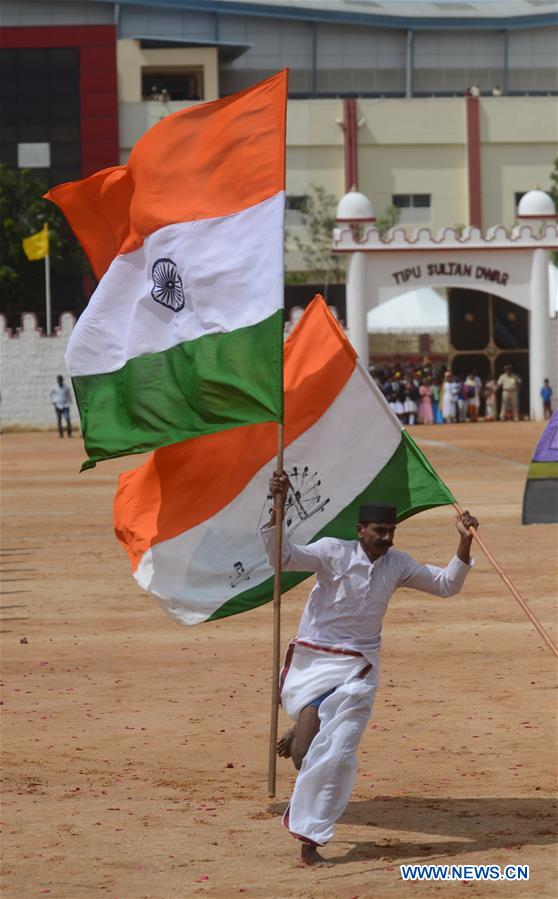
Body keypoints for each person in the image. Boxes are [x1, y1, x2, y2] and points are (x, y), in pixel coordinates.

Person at [262, 473, 478, 866]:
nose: (387, 538)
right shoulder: (331, 551)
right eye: (379, 531)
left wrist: (463, 540)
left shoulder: (397, 564)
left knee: (339, 752)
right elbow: (281, 558)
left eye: (391, 531)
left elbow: (446, 585)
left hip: (359, 669)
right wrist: (279, 506)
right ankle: (306, 724)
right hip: (315, 660)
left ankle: (310, 840)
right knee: (304, 754)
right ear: (359, 530)